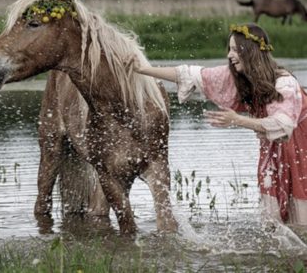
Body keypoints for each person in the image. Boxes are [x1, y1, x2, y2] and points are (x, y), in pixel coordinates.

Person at [126, 23, 307, 225]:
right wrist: (142, 69)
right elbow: (188, 74)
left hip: (301, 146)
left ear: (252, 53)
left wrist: (237, 120)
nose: (230, 55)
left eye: (236, 50)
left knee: (300, 215)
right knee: (272, 219)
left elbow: (283, 126)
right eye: (229, 49)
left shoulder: (284, 83)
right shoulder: (239, 78)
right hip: (273, 147)